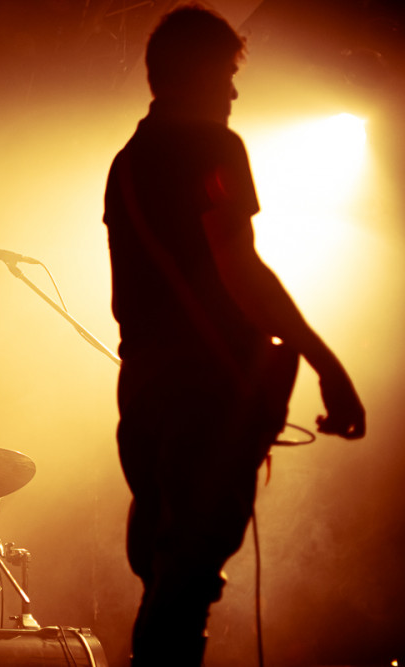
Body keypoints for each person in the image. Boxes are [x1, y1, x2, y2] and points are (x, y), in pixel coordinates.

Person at [101, 6, 365, 665]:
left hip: (143, 392)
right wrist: (327, 363)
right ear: (197, 74)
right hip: (203, 393)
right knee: (187, 584)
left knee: (165, 577)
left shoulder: (126, 163)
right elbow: (238, 265)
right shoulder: (213, 147)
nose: (234, 93)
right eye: (226, 75)